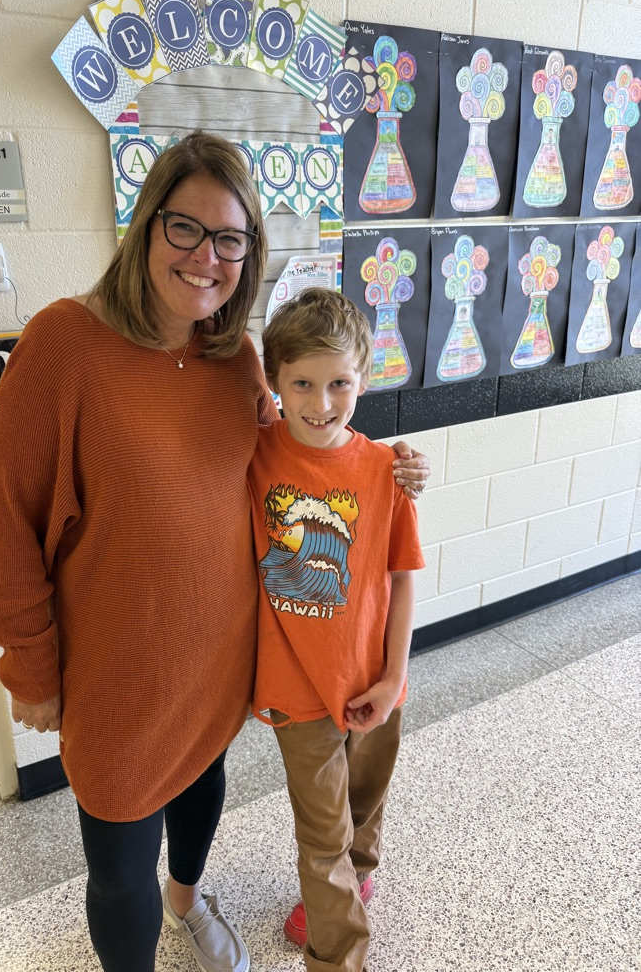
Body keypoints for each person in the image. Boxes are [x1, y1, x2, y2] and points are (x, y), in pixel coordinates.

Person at [0, 131, 430, 972]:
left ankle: (187, 901)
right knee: (118, 868)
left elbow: (307, 436)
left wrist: (390, 463)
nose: (205, 257)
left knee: (197, 797)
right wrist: (29, 669)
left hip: (219, 663)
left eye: (230, 239)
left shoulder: (234, 358)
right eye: (184, 228)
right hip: (118, 678)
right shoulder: (63, 345)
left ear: (247, 252)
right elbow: (8, 525)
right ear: (146, 224)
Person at [248, 288, 425, 971]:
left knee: (365, 795)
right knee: (321, 832)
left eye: (340, 384)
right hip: (297, 687)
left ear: (364, 378)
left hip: (375, 673)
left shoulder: (387, 470)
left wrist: (393, 677)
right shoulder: (253, 457)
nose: (321, 403)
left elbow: (403, 576)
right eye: (302, 384)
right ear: (274, 382)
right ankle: (338, 953)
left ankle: (362, 868)